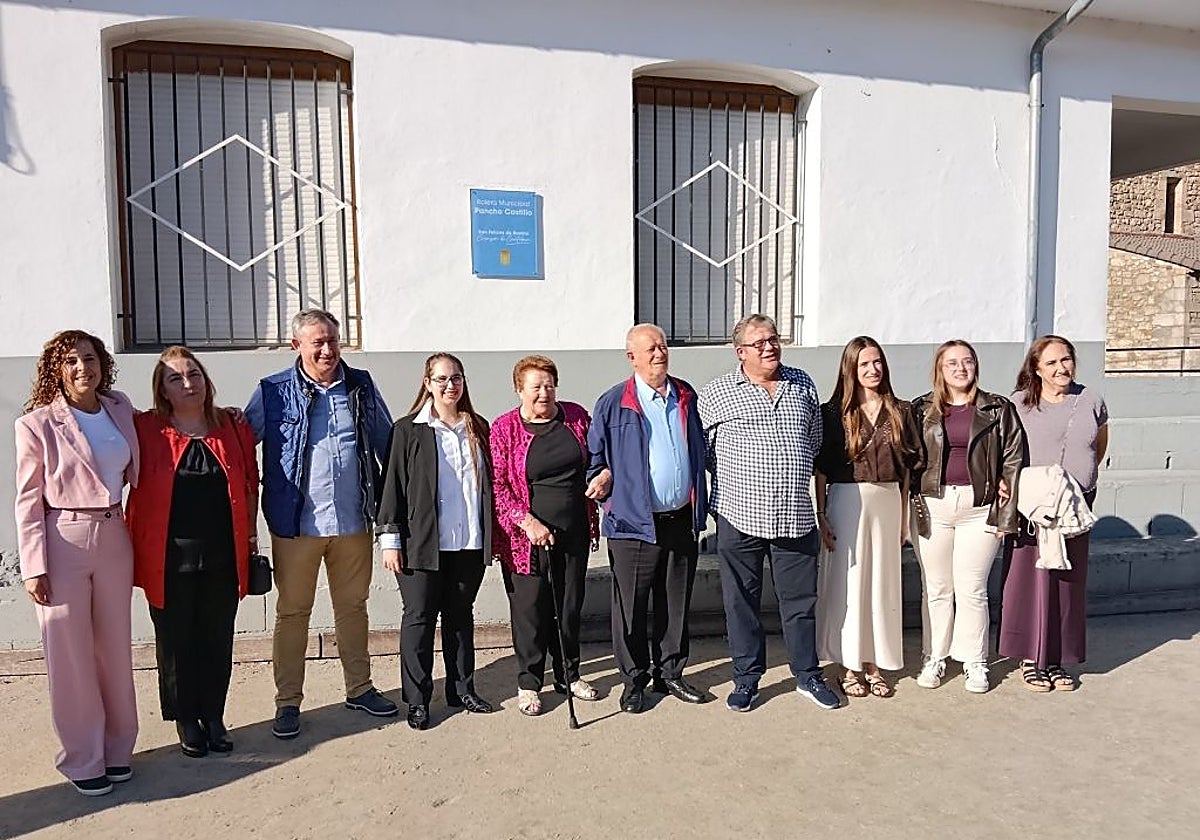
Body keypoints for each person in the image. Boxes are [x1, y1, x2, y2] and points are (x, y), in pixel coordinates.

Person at [245, 309, 398, 739]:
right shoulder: (273, 391)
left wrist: (393, 515)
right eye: (318, 342)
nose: (328, 349)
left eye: (332, 340)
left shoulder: (361, 385)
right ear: (297, 346)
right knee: (293, 612)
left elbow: (387, 444)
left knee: (353, 608)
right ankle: (288, 702)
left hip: (353, 520)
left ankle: (360, 688)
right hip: (296, 525)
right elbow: (240, 445)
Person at [14, 330, 139, 796]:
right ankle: (83, 759)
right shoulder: (36, 425)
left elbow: (158, 429)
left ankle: (117, 749)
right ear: (56, 370)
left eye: (89, 358)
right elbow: (27, 500)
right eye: (70, 361)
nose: (82, 367)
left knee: (114, 650)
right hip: (62, 538)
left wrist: (215, 415)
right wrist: (33, 566)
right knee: (70, 657)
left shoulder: (119, 407)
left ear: (103, 363)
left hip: (114, 534)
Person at [698, 314, 840, 713]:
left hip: (794, 515)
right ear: (740, 351)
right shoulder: (717, 393)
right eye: (759, 342)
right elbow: (706, 452)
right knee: (741, 601)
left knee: (800, 602)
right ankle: (746, 679)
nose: (769, 347)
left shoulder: (802, 383)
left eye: (774, 339)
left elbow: (812, 440)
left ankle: (808, 675)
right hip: (739, 514)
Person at [126, 346, 259, 757]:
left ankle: (214, 715)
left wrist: (252, 538)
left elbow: (251, 483)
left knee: (217, 638)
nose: (188, 383)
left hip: (223, 554)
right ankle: (186, 719)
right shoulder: (144, 428)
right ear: (161, 390)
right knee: (176, 640)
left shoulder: (232, 427)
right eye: (175, 378)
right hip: (169, 557)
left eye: (194, 374)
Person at [587, 324, 710, 714]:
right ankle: (634, 680)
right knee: (631, 607)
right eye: (650, 348)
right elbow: (595, 459)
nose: (659, 353)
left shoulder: (686, 395)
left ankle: (670, 673)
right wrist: (600, 475)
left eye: (662, 346)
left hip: (679, 519)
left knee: (675, 604)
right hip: (632, 524)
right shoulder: (612, 403)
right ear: (632, 358)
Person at [376, 353, 495, 731]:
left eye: (456, 378)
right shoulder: (408, 429)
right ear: (427, 383)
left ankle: (463, 690)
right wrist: (390, 540)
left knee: (460, 618)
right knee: (419, 619)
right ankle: (417, 700)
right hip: (420, 545)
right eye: (441, 379)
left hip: (467, 543)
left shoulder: (478, 427)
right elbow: (391, 487)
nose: (449, 386)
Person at [910, 340, 1025, 694]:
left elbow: (1015, 460)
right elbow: (909, 459)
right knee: (937, 588)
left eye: (967, 361)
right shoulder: (921, 410)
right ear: (939, 370)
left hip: (980, 509)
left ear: (976, 366)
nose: (960, 368)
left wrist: (1007, 515)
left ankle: (975, 661)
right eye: (952, 363)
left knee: (972, 588)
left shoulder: (997, 408)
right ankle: (935, 656)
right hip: (933, 506)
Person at [490, 355, 602, 717]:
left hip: (574, 530)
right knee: (531, 611)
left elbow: (596, 460)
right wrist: (527, 522)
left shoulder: (575, 417)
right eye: (536, 386)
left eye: (550, 384)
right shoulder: (504, 428)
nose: (544, 392)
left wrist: (603, 477)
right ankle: (529, 682)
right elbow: (497, 486)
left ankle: (569, 674)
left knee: (568, 606)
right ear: (519, 389)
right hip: (527, 539)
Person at [814, 337, 920, 699]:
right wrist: (821, 515)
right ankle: (848, 665)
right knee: (850, 583)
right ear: (850, 369)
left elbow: (907, 470)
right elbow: (822, 469)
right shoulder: (833, 413)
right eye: (864, 364)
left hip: (888, 501)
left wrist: (905, 519)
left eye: (877, 363)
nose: (872, 370)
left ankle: (875, 662)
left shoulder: (901, 411)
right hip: (846, 500)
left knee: (881, 584)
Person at [1001, 335, 1108, 692]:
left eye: (1066, 360)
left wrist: (1081, 481)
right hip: (1034, 508)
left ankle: (1058, 660)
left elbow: (1100, 442)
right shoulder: (1018, 404)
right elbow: (1004, 452)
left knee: (1067, 583)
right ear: (1036, 368)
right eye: (1051, 363)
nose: (1061, 368)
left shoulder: (1090, 399)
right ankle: (1031, 659)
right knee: (1030, 582)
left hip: (1076, 506)